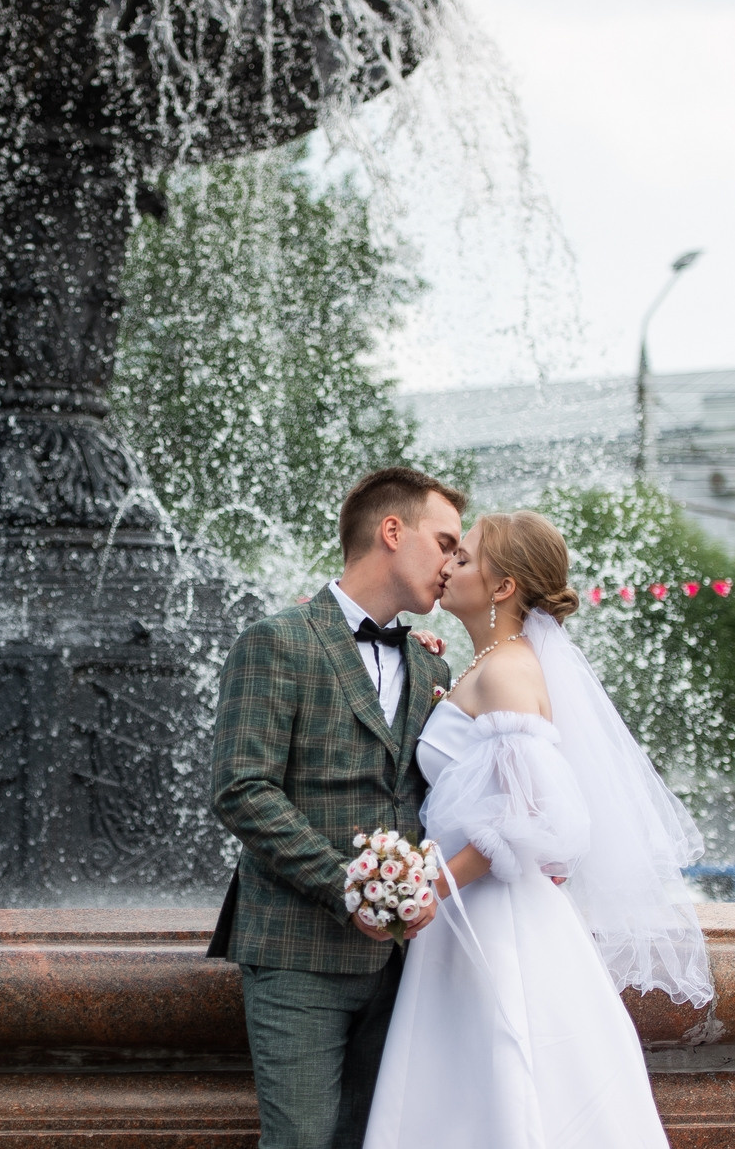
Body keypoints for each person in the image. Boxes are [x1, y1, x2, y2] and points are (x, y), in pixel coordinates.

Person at [364, 510, 713, 1149]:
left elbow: (529, 818)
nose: (447, 566)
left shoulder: (508, 671)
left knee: (502, 1083)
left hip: (496, 918)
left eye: (464, 559)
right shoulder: (486, 666)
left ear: (503, 588)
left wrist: (424, 890)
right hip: (474, 912)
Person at [210, 467, 465, 1149]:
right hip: (297, 954)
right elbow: (241, 787)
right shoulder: (277, 640)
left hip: (405, 965)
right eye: (444, 542)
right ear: (392, 531)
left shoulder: (434, 668)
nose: (453, 563)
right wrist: (345, 885)